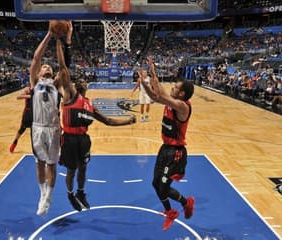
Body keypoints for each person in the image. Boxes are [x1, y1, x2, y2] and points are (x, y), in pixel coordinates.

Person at [55, 35, 137, 212]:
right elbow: (63, 69)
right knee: (71, 170)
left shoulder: (90, 104)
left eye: (85, 79)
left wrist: (127, 121)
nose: (82, 80)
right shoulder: (70, 95)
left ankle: (81, 192)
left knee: (83, 168)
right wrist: (59, 44)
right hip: (68, 139)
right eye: (80, 80)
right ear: (76, 85)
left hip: (83, 139)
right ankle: (70, 194)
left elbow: (107, 121)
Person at [140, 56, 195, 231]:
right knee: (155, 184)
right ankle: (174, 209)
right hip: (165, 149)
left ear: (182, 94)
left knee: (163, 187)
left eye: (176, 87)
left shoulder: (182, 106)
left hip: (176, 154)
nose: (172, 87)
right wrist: (145, 80)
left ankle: (184, 204)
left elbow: (161, 94)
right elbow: (155, 95)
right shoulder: (171, 101)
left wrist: (152, 74)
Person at [29, 25, 63, 216]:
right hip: (38, 128)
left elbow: (63, 66)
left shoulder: (56, 83)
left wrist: (61, 41)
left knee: (51, 164)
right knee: (39, 164)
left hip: (54, 128)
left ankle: (48, 196)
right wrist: (50, 34)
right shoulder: (35, 83)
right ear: (40, 73)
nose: (46, 66)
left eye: (49, 66)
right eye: (44, 66)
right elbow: (36, 58)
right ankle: (42, 194)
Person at [9, 85, 32, 153]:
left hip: (37, 113)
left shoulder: (40, 87)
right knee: (22, 129)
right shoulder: (28, 89)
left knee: (35, 131)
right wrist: (29, 96)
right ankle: (15, 142)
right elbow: (18, 97)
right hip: (28, 112)